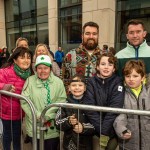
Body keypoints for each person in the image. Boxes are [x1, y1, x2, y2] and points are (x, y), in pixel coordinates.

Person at [21, 55, 67, 150]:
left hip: (52, 127)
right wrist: (37, 115)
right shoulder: (30, 81)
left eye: (46, 68)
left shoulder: (58, 82)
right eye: (39, 68)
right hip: (34, 126)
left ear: (50, 68)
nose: (42, 71)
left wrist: (47, 116)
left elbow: (61, 100)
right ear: (36, 69)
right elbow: (24, 100)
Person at [83, 52, 125, 150]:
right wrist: (101, 130)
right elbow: (89, 107)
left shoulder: (118, 82)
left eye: (110, 65)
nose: (106, 67)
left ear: (114, 69)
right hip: (96, 130)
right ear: (97, 66)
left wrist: (105, 131)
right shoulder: (91, 82)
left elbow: (115, 108)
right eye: (103, 64)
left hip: (112, 130)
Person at [0, 47, 33, 150]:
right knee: (7, 135)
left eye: (28, 57)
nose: (26, 60)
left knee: (17, 136)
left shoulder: (30, 74)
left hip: (20, 113)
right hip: (7, 112)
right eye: (22, 57)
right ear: (14, 59)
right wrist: (5, 87)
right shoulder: (5, 71)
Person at [113, 60, 150, 150]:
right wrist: (122, 130)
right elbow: (120, 115)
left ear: (143, 77)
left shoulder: (148, 92)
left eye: (135, 76)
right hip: (129, 143)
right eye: (127, 76)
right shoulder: (121, 93)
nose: (131, 79)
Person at [55, 74, 95, 150]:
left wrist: (83, 128)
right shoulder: (64, 104)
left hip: (86, 145)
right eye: (73, 85)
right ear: (69, 88)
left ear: (85, 88)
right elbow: (57, 123)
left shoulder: (91, 104)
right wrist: (68, 121)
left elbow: (96, 125)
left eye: (80, 85)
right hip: (69, 145)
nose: (77, 88)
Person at [62, 21, 101, 88]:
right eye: (87, 33)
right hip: (76, 97)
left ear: (98, 36)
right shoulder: (70, 56)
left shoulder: (105, 56)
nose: (91, 36)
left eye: (94, 34)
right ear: (82, 36)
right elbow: (64, 81)